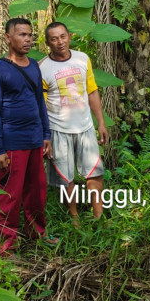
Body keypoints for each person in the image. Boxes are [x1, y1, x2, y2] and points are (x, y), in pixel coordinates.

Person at [0, 17, 57, 255]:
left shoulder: (34, 65)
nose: (28, 39)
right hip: (11, 144)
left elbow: (39, 102)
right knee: (9, 197)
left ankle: (38, 234)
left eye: (30, 35)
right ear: (8, 38)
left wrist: (46, 134)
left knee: (37, 192)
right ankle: (6, 247)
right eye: (22, 35)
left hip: (35, 140)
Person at [39, 22, 110, 221]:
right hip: (58, 130)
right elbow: (41, 106)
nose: (60, 42)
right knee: (65, 177)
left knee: (94, 173)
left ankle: (99, 216)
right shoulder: (43, 68)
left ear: (70, 36)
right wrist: (45, 137)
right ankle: (74, 218)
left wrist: (101, 123)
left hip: (85, 127)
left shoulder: (82, 59)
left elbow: (92, 91)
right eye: (54, 39)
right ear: (47, 43)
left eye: (62, 37)